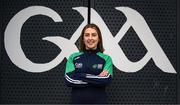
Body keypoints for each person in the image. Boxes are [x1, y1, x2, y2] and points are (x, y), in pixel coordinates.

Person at [64, 23, 113, 104]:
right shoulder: (73, 57)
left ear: (99, 38)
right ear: (83, 38)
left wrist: (79, 75)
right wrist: (97, 78)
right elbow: (69, 80)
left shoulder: (106, 59)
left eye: (94, 35)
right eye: (87, 35)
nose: (90, 38)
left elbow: (106, 80)